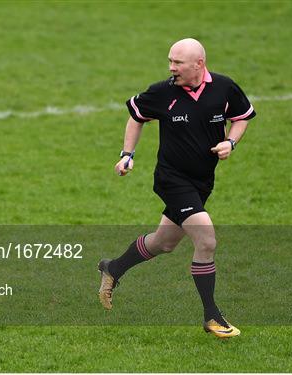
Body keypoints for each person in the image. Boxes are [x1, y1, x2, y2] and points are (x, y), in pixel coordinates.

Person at [98, 38, 256, 338]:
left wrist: (231, 142)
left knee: (164, 243)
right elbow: (136, 118)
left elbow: (241, 118)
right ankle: (212, 317)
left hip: (202, 182)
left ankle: (113, 268)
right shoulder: (162, 92)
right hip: (172, 180)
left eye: (178, 63)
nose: (172, 67)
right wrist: (127, 155)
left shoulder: (224, 87)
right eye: (170, 61)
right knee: (206, 241)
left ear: (199, 63)